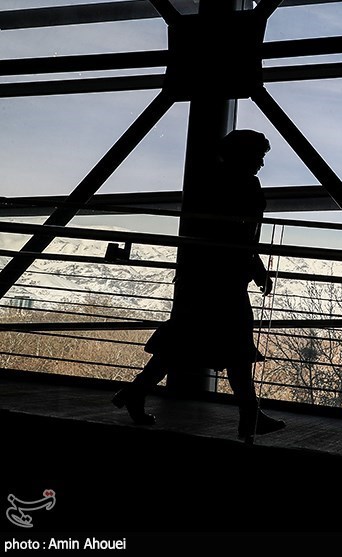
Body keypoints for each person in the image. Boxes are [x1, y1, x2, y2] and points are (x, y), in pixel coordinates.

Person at [112, 129, 285, 440]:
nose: (261, 161)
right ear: (243, 155)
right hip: (224, 279)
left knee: (186, 341)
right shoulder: (242, 184)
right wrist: (255, 266)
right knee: (236, 345)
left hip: (206, 277)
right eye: (258, 155)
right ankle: (250, 414)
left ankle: (137, 392)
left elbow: (222, 232)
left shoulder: (214, 181)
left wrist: (251, 265)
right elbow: (238, 235)